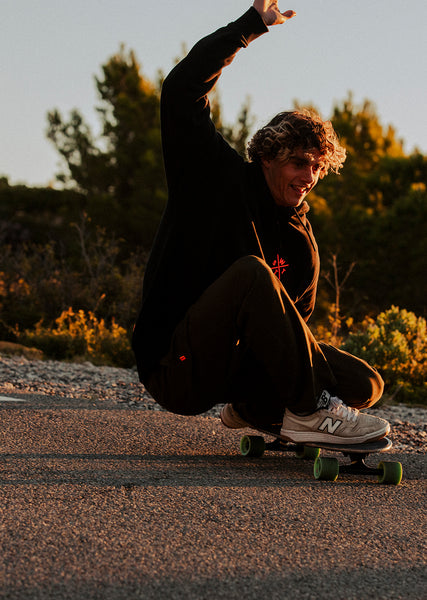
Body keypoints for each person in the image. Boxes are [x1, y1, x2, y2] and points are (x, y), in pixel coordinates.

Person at [132, 1, 390, 444]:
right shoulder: (214, 177)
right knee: (252, 273)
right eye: (298, 163)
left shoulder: (300, 241)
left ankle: (259, 408)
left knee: (366, 384)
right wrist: (251, 26)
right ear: (268, 156)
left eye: (317, 167)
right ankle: (307, 413)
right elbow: (180, 91)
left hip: (235, 372)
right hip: (176, 364)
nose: (308, 177)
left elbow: (292, 330)